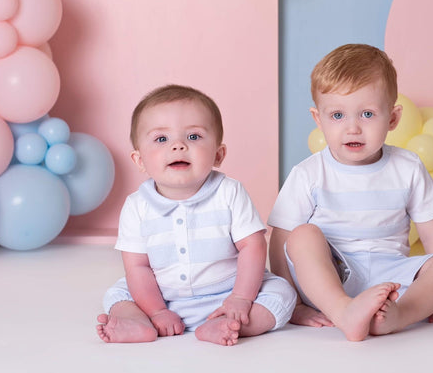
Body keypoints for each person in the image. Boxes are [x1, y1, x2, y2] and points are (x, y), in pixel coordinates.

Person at [268, 44, 433, 342]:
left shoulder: (407, 167)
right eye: (337, 116)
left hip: (393, 275)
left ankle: (400, 313)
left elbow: (432, 234)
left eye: (368, 114)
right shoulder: (309, 173)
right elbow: (281, 240)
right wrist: (292, 302)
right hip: (329, 276)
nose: (353, 128)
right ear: (318, 119)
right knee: (302, 235)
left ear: (393, 119)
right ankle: (344, 310)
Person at [96, 84, 296, 346]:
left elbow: (253, 246)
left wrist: (241, 298)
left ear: (218, 154)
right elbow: (138, 266)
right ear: (139, 160)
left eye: (193, 137)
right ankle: (140, 322)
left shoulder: (228, 192)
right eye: (161, 139)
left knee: (282, 292)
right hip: (161, 297)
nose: (178, 146)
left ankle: (227, 325)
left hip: (228, 294)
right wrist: (157, 310)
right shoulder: (137, 206)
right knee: (118, 294)